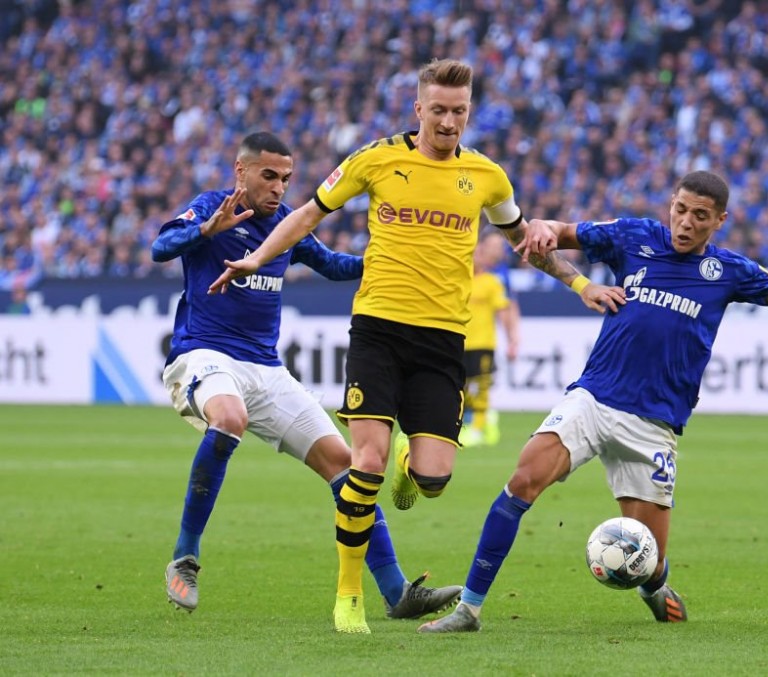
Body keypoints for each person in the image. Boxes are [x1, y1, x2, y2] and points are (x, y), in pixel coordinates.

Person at [418, 170, 768, 633]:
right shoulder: (635, 237)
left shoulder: (729, 272)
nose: (685, 223)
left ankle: (655, 588)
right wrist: (541, 226)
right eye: (680, 209)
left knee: (650, 561)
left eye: (700, 215)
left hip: (654, 426)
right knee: (522, 481)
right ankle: (470, 608)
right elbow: (560, 231)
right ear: (670, 205)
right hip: (595, 398)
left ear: (719, 220)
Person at [208, 59, 619, 633]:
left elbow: (526, 241)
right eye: (439, 110)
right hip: (377, 329)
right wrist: (256, 256)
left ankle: (411, 463)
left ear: (469, 113)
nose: (449, 122)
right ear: (418, 108)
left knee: (434, 478)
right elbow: (306, 216)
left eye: (460, 112)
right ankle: (349, 594)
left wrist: (581, 284)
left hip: (442, 341)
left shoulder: (488, 177)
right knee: (365, 462)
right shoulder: (376, 159)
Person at [151, 131, 462, 622]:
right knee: (228, 418)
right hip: (205, 353)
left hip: (267, 369)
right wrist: (206, 231)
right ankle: (184, 557)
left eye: (286, 178)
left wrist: (386, 260)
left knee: (348, 467)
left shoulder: (286, 225)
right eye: (269, 176)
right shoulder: (212, 207)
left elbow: (332, 265)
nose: (278, 187)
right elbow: (160, 247)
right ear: (241, 171)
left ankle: (397, 592)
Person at [460, 229, 520, 447]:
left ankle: (477, 428)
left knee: (481, 386)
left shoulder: (492, 282)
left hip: (483, 343)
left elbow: (504, 311)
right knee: (462, 388)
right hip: (460, 342)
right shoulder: (460, 281)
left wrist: (512, 339)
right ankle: (481, 420)